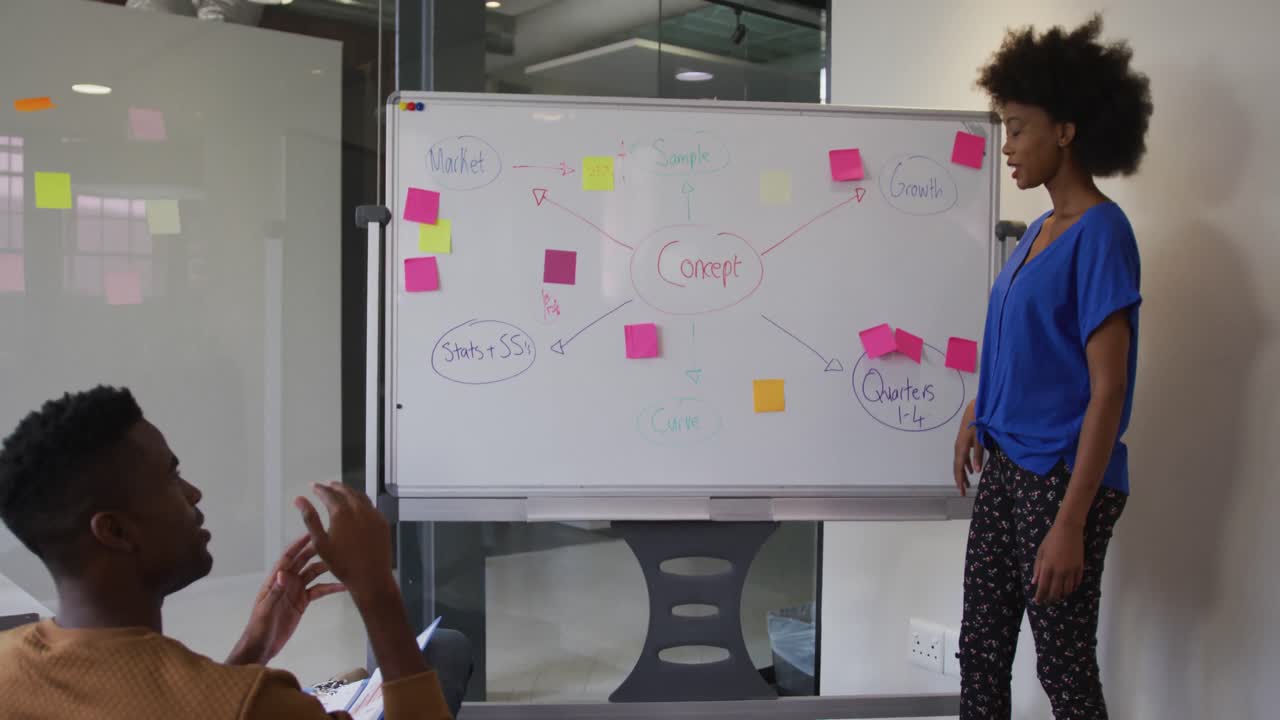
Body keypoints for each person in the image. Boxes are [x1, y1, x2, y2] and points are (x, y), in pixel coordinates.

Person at [0, 386, 472, 719]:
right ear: (116, 531)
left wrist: (254, 647)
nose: (194, 493)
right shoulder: (261, 703)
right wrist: (375, 590)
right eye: (170, 476)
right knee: (445, 651)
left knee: (350, 676)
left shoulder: (9, 665)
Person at [951, 15, 1153, 720]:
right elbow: (1019, 345)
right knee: (979, 650)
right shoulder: (1038, 230)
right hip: (1006, 467)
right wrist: (979, 412)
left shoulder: (1102, 233)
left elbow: (1109, 390)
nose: (1006, 147)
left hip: (1061, 480)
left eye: (1018, 127)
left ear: (1066, 130)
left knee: (1062, 667)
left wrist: (1070, 521)